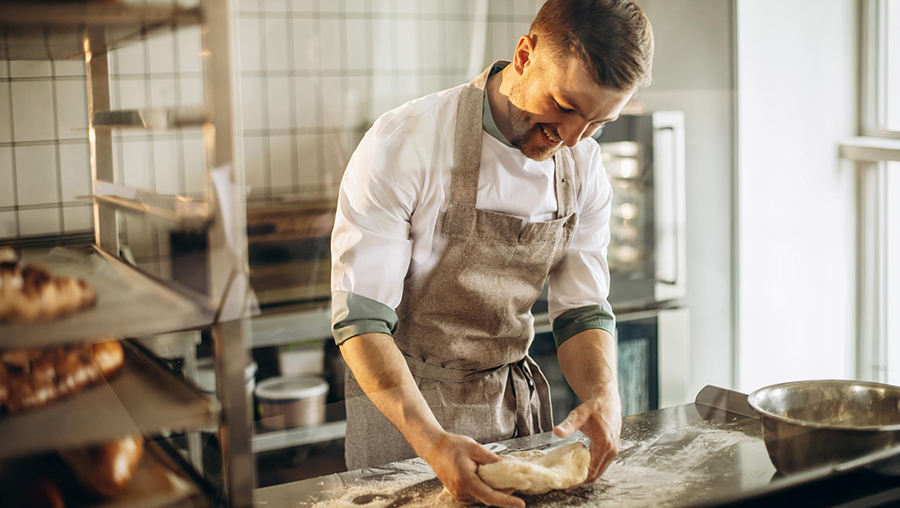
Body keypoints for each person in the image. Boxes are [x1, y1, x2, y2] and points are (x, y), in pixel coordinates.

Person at [330, 0, 653, 505]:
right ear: (525, 55)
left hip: (513, 415)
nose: (571, 138)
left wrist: (603, 394)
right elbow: (362, 323)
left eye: (597, 123)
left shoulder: (583, 165)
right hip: (407, 422)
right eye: (565, 107)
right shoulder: (405, 142)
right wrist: (433, 444)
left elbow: (582, 310)